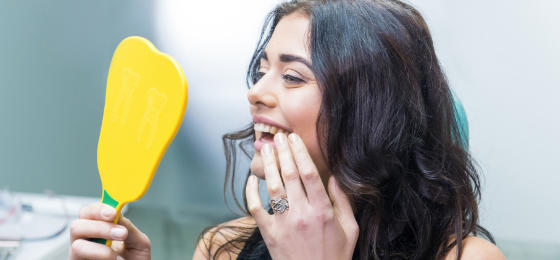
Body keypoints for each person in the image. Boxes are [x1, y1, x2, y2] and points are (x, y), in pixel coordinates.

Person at [69, 0, 507, 259]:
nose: (256, 92)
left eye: (292, 76)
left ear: (372, 109)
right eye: (261, 71)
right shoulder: (223, 246)